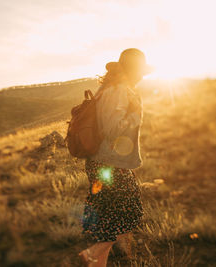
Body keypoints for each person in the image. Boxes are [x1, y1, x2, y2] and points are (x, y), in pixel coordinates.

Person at [78, 48, 154, 266]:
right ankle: (91, 254)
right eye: (140, 72)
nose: (141, 77)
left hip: (103, 162)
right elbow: (112, 129)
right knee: (127, 214)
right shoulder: (120, 90)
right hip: (110, 164)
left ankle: (96, 260)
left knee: (107, 221)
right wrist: (134, 113)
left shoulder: (110, 87)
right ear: (133, 71)